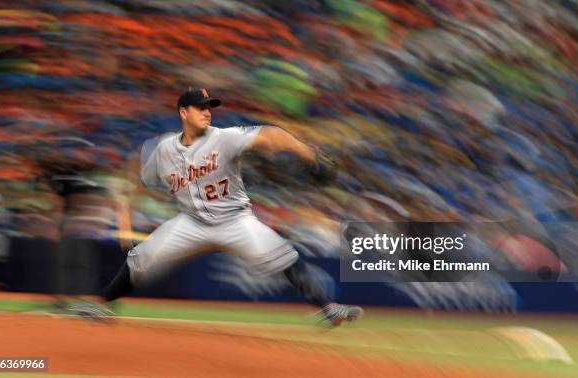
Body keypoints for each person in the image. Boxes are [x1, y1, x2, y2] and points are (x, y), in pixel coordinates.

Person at [74, 87, 363, 326]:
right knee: (143, 257)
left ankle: (329, 308)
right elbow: (136, 174)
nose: (207, 112)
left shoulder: (224, 138)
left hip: (235, 221)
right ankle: (102, 305)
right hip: (190, 223)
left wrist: (309, 153)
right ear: (183, 113)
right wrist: (125, 208)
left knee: (283, 255)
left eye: (209, 107)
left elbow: (272, 134)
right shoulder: (163, 149)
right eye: (200, 107)